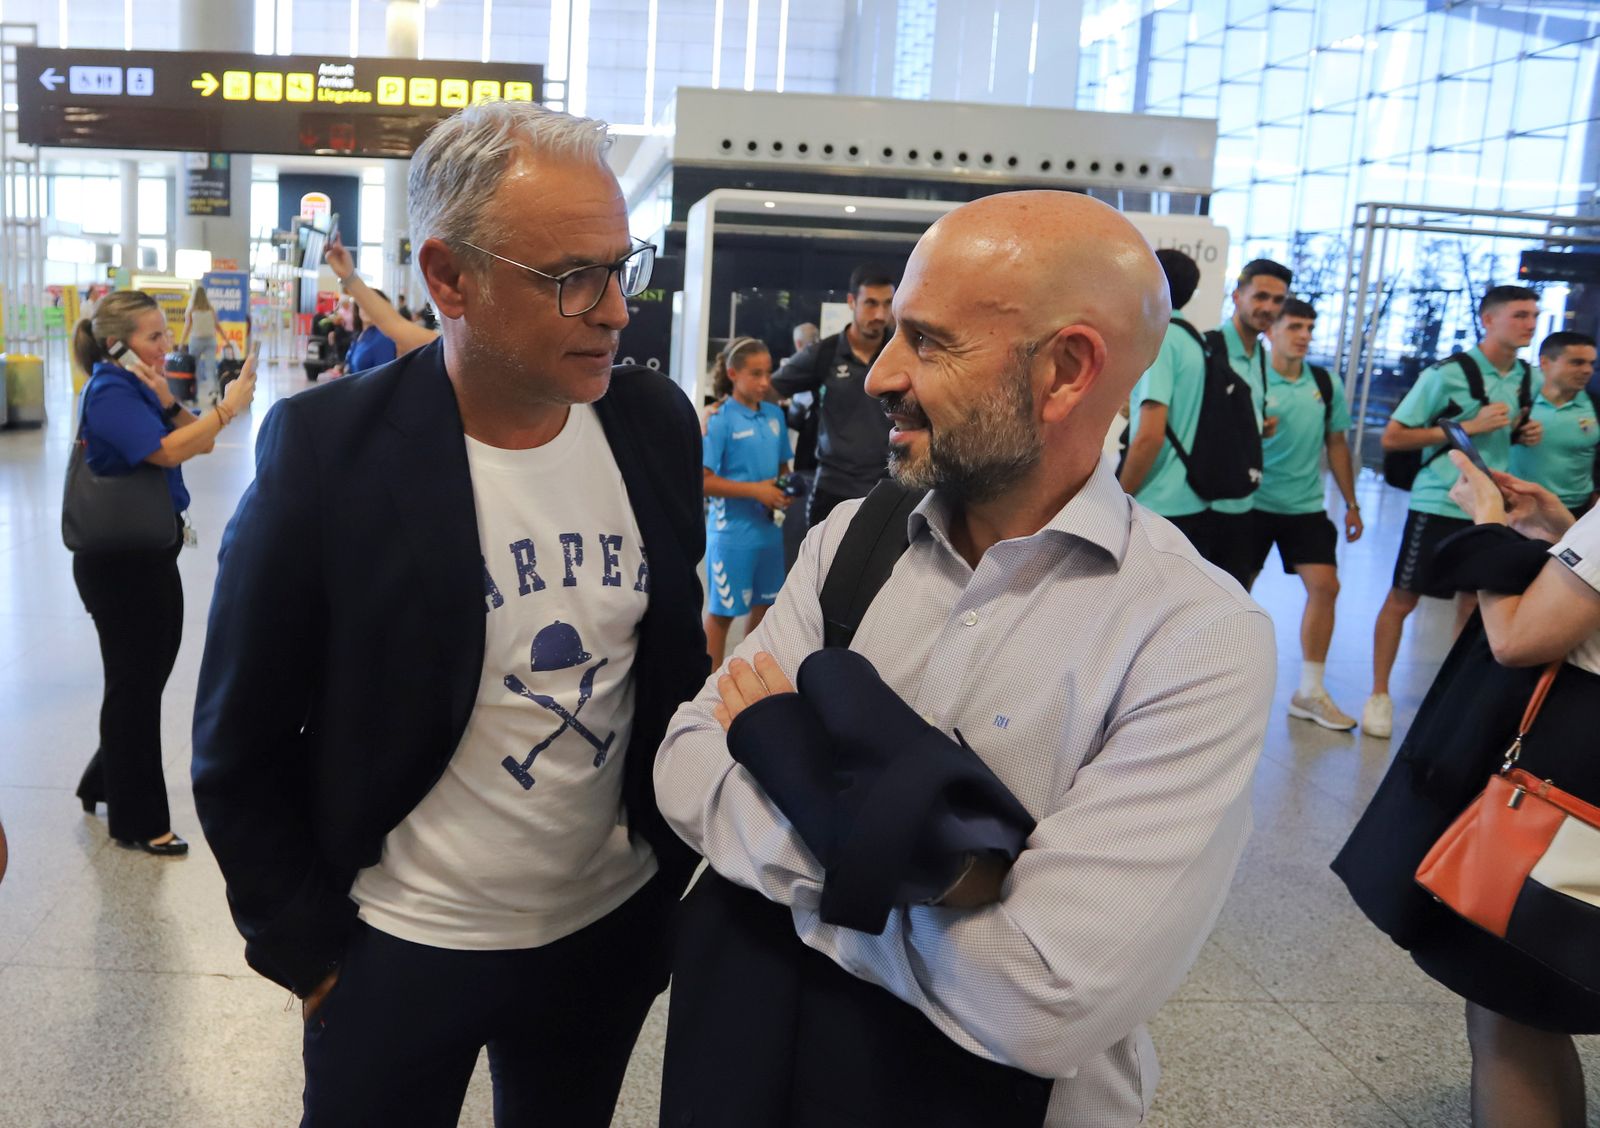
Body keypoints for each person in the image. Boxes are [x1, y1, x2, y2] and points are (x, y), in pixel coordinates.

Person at [655, 190, 1275, 1125]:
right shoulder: (849, 543)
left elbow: (1038, 996)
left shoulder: (1192, 635)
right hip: (751, 1069)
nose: (879, 374)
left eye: (930, 342)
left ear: (1066, 370)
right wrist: (937, 874)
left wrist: (790, 794)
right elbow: (687, 760)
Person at [192, 101, 706, 1128]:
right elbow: (236, 738)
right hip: (396, 947)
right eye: (573, 277)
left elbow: (671, 664)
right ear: (448, 278)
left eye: (622, 267)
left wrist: (664, 885)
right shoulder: (329, 454)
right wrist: (306, 950)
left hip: (601, 934)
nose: (615, 311)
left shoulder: (650, 425)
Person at [1427, 454, 1598, 1126]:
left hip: (1570, 782)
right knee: (1538, 1004)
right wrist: (1567, 527)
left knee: (1508, 1006)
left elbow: (1518, 637)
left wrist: (1489, 526)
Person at [70, 290, 257, 856]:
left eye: (164, 333)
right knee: (135, 686)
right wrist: (229, 408)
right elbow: (169, 453)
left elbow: (192, 440)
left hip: (146, 555)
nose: (166, 344)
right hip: (122, 564)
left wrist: (170, 399)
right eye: (153, 336)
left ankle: (103, 779)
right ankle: (138, 819)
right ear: (116, 345)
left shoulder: (133, 386)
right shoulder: (107, 391)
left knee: (139, 680)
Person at [1362, 285, 1543, 738]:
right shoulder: (1445, 375)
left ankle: (1453, 698)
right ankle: (1379, 696)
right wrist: (1466, 428)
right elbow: (1393, 437)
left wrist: (1522, 433)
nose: (1530, 323)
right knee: (1403, 598)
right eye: (1520, 315)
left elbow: (1505, 435)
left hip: (1490, 508)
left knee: (1476, 605)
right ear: (1488, 320)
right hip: (1438, 501)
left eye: (1534, 315)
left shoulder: (1529, 377)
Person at [1247, 299, 1362, 729]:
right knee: (1235, 593)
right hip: (1251, 503)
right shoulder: (1251, 377)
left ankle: (1310, 691)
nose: (1304, 334)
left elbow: (1336, 443)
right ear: (1270, 331)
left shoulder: (1324, 383)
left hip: (1304, 506)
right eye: (1294, 326)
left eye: (1309, 327)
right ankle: (1222, 680)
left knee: (1326, 586)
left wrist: (1351, 503)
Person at [771, 264, 896, 528]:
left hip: (890, 488)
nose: (880, 314)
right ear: (851, 302)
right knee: (825, 568)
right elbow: (769, 390)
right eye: (871, 304)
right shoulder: (823, 354)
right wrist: (724, 407)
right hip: (833, 489)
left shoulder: (900, 354)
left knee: (890, 570)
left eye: (887, 304)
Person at [702, 337, 793, 665]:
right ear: (732, 373)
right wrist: (757, 491)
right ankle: (706, 696)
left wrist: (783, 491)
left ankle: (744, 682)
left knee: (766, 610)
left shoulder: (774, 415)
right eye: (755, 374)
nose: (765, 382)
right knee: (722, 615)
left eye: (768, 373)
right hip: (731, 537)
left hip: (769, 535)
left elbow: (783, 467)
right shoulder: (719, 419)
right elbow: (703, 481)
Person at [1119, 248, 1212, 554]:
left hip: (1156, 500)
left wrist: (1119, 498)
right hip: (1190, 497)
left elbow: (1150, 436)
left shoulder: (1164, 339)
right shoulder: (1192, 339)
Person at [1205, 258, 1289, 586]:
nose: (1268, 307)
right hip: (1204, 502)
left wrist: (1258, 426)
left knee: (1233, 601)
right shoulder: (1207, 349)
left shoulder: (1262, 358)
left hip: (1243, 500)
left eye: (1278, 300)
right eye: (1260, 296)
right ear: (1237, 296)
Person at [1510, 330, 1598, 519]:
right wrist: (1513, 435)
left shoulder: (1595, 405)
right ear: (1545, 363)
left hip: (1577, 510)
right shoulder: (1518, 401)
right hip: (1520, 505)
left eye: (1591, 363)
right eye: (1577, 362)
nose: (1587, 370)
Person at [324, 234, 439, 356]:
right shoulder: (362, 335)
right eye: (361, 307)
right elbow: (397, 326)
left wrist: (349, 277)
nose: (364, 310)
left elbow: (397, 326)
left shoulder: (382, 338)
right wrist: (348, 276)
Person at [325, 288, 399, 378]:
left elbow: (383, 378)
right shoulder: (360, 334)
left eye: (373, 305)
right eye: (364, 303)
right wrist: (341, 368)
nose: (367, 308)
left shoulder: (384, 337)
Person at [183, 284, 220, 404]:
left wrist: (181, 342)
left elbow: (187, 327)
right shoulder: (210, 308)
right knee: (210, 369)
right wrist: (227, 340)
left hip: (196, 341)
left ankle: (193, 396)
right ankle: (213, 392)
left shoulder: (192, 309)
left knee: (194, 369)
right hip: (210, 340)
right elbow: (217, 325)